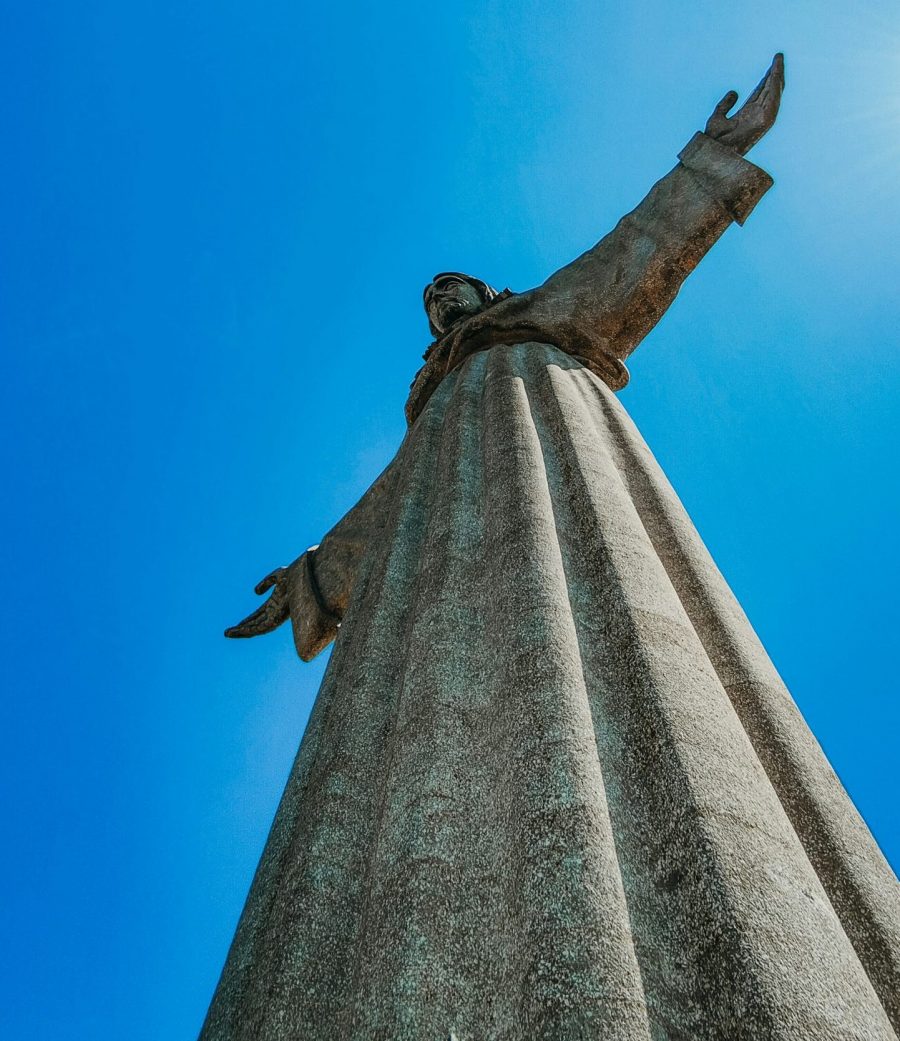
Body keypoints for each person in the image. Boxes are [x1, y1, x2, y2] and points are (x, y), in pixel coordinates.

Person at [205, 55, 900, 1041]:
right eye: (431, 303)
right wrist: (317, 574)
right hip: (447, 535)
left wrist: (706, 164)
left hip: (561, 435)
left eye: (453, 290)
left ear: (485, 292)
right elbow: (385, 505)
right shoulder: (435, 410)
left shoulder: (541, 325)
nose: (441, 304)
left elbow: (635, 248)